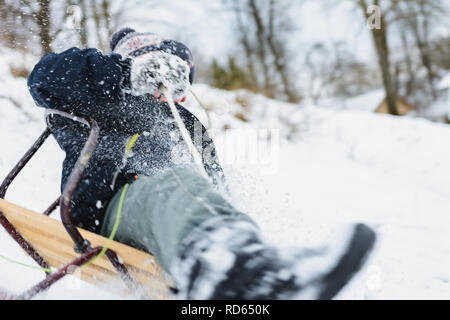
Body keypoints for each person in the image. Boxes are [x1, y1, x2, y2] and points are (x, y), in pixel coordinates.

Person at [27, 28, 376, 300]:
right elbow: (43, 77)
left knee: (205, 197)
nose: (170, 93)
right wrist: (125, 74)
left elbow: (213, 186)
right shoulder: (104, 95)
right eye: (162, 77)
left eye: (180, 85)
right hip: (108, 208)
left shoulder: (189, 126)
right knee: (176, 185)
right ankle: (229, 274)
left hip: (173, 229)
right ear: (144, 68)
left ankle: (261, 270)